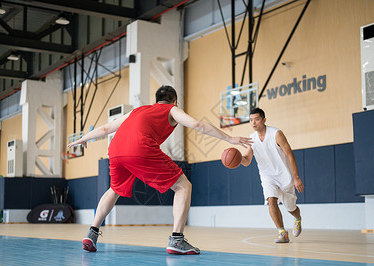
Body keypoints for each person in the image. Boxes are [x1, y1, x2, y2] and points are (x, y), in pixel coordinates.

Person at [68, 85, 252, 254]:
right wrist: (229, 138)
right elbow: (197, 124)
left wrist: (84, 138)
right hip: (140, 148)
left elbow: (107, 128)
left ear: (156, 100)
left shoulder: (137, 110)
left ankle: (91, 233)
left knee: (114, 190)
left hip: (116, 150)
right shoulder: (171, 109)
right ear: (175, 101)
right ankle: (177, 240)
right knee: (183, 186)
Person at [241, 108, 304, 243]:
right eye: (251, 120)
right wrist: (238, 158)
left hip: (284, 176)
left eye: (256, 119)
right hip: (267, 176)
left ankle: (297, 218)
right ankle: (282, 233)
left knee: (291, 208)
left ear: (264, 120)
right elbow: (246, 161)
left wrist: (296, 177)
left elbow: (289, 155)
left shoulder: (276, 134)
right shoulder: (251, 139)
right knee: (271, 200)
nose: (253, 123)